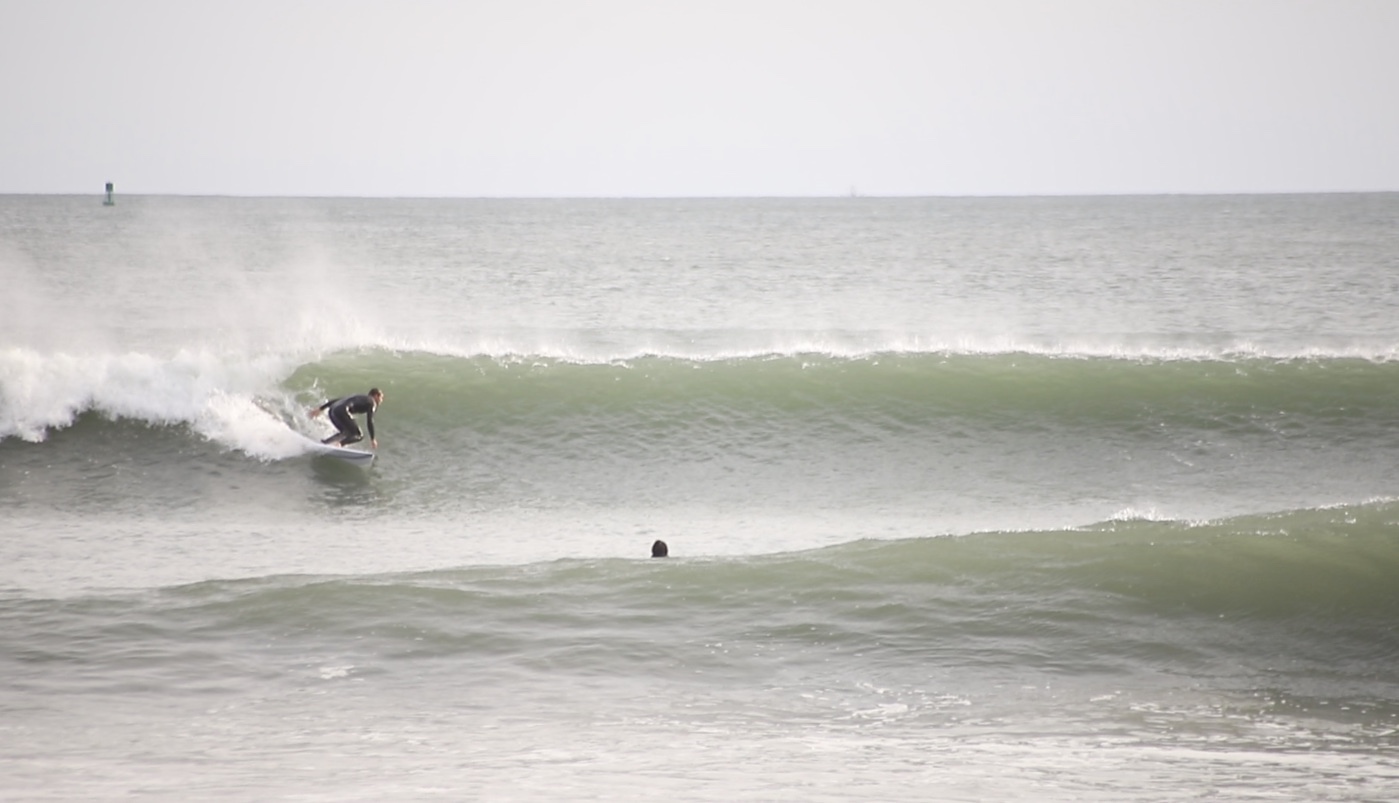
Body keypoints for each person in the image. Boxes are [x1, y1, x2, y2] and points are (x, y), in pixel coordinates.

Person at [310, 387, 383, 448]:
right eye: (381, 397)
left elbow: (339, 400)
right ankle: (339, 445)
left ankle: (324, 443)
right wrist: (372, 438)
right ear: (376, 396)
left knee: (346, 432)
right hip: (342, 411)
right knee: (358, 435)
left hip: (333, 410)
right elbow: (370, 420)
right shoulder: (372, 402)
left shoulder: (358, 396)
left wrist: (320, 409)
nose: (381, 400)